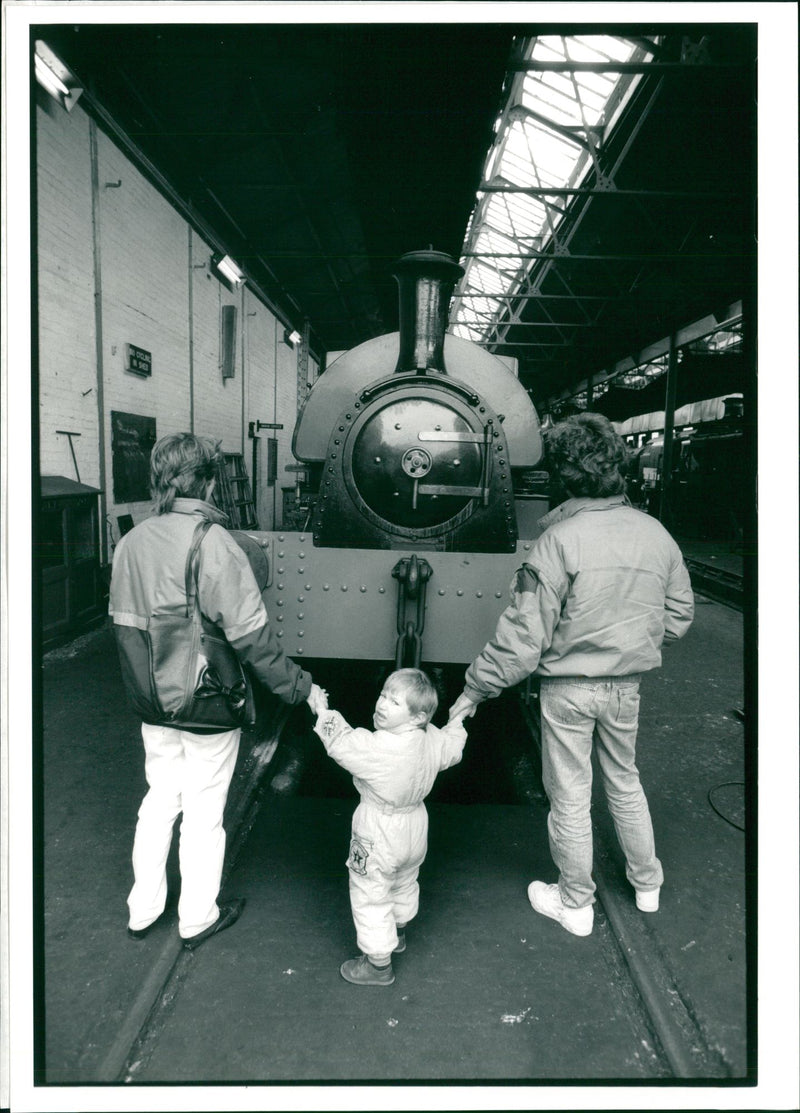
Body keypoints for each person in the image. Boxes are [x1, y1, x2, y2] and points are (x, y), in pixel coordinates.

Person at [450, 412, 694, 938]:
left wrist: (474, 689)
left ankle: (575, 902)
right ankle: (647, 884)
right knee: (625, 782)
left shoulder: (558, 542)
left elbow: (522, 640)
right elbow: (677, 616)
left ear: (564, 475)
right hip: (626, 687)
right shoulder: (657, 535)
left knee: (571, 795)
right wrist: (629, 645)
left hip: (568, 690)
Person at [109, 433, 327, 950]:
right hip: (205, 704)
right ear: (209, 480)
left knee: (160, 798)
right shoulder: (213, 543)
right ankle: (197, 917)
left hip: (151, 702)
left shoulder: (130, 541)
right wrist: (301, 688)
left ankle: (143, 908)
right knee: (204, 812)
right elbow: (253, 641)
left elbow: (123, 625)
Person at [313, 668, 469, 985]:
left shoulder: (378, 747)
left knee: (370, 891)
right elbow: (454, 746)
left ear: (417, 717)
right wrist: (458, 719)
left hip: (378, 830)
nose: (382, 705)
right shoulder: (432, 738)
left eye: (394, 702)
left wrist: (321, 709)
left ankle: (377, 964)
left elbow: (341, 741)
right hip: (415, 826)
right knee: (404, 881)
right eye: (383, 695)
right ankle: (398, 932)